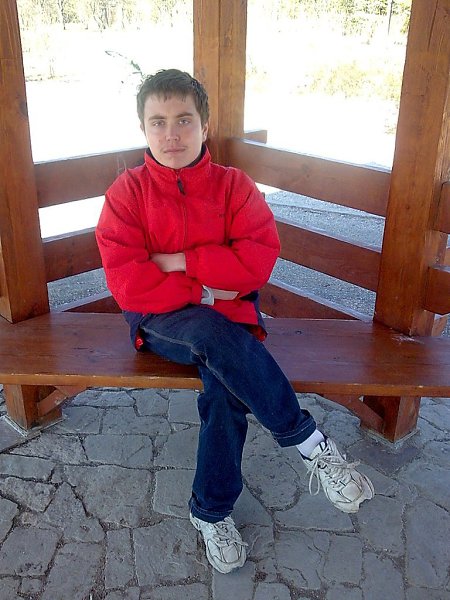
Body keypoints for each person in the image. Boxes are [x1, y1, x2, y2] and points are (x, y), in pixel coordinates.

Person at [95, 68, 374, 574]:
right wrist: (206, 287)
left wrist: (178, 261)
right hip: (161, 319)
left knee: (224, 392)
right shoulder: (127, 193)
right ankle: (309, 442)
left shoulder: (233, 187)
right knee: (208, 331)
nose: (172, 134)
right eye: (158, 122)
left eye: (184, 119)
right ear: (143, 129)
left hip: (230, 312)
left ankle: (210, 512)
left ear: (205, 125)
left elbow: (256, 262)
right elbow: (129, 280)